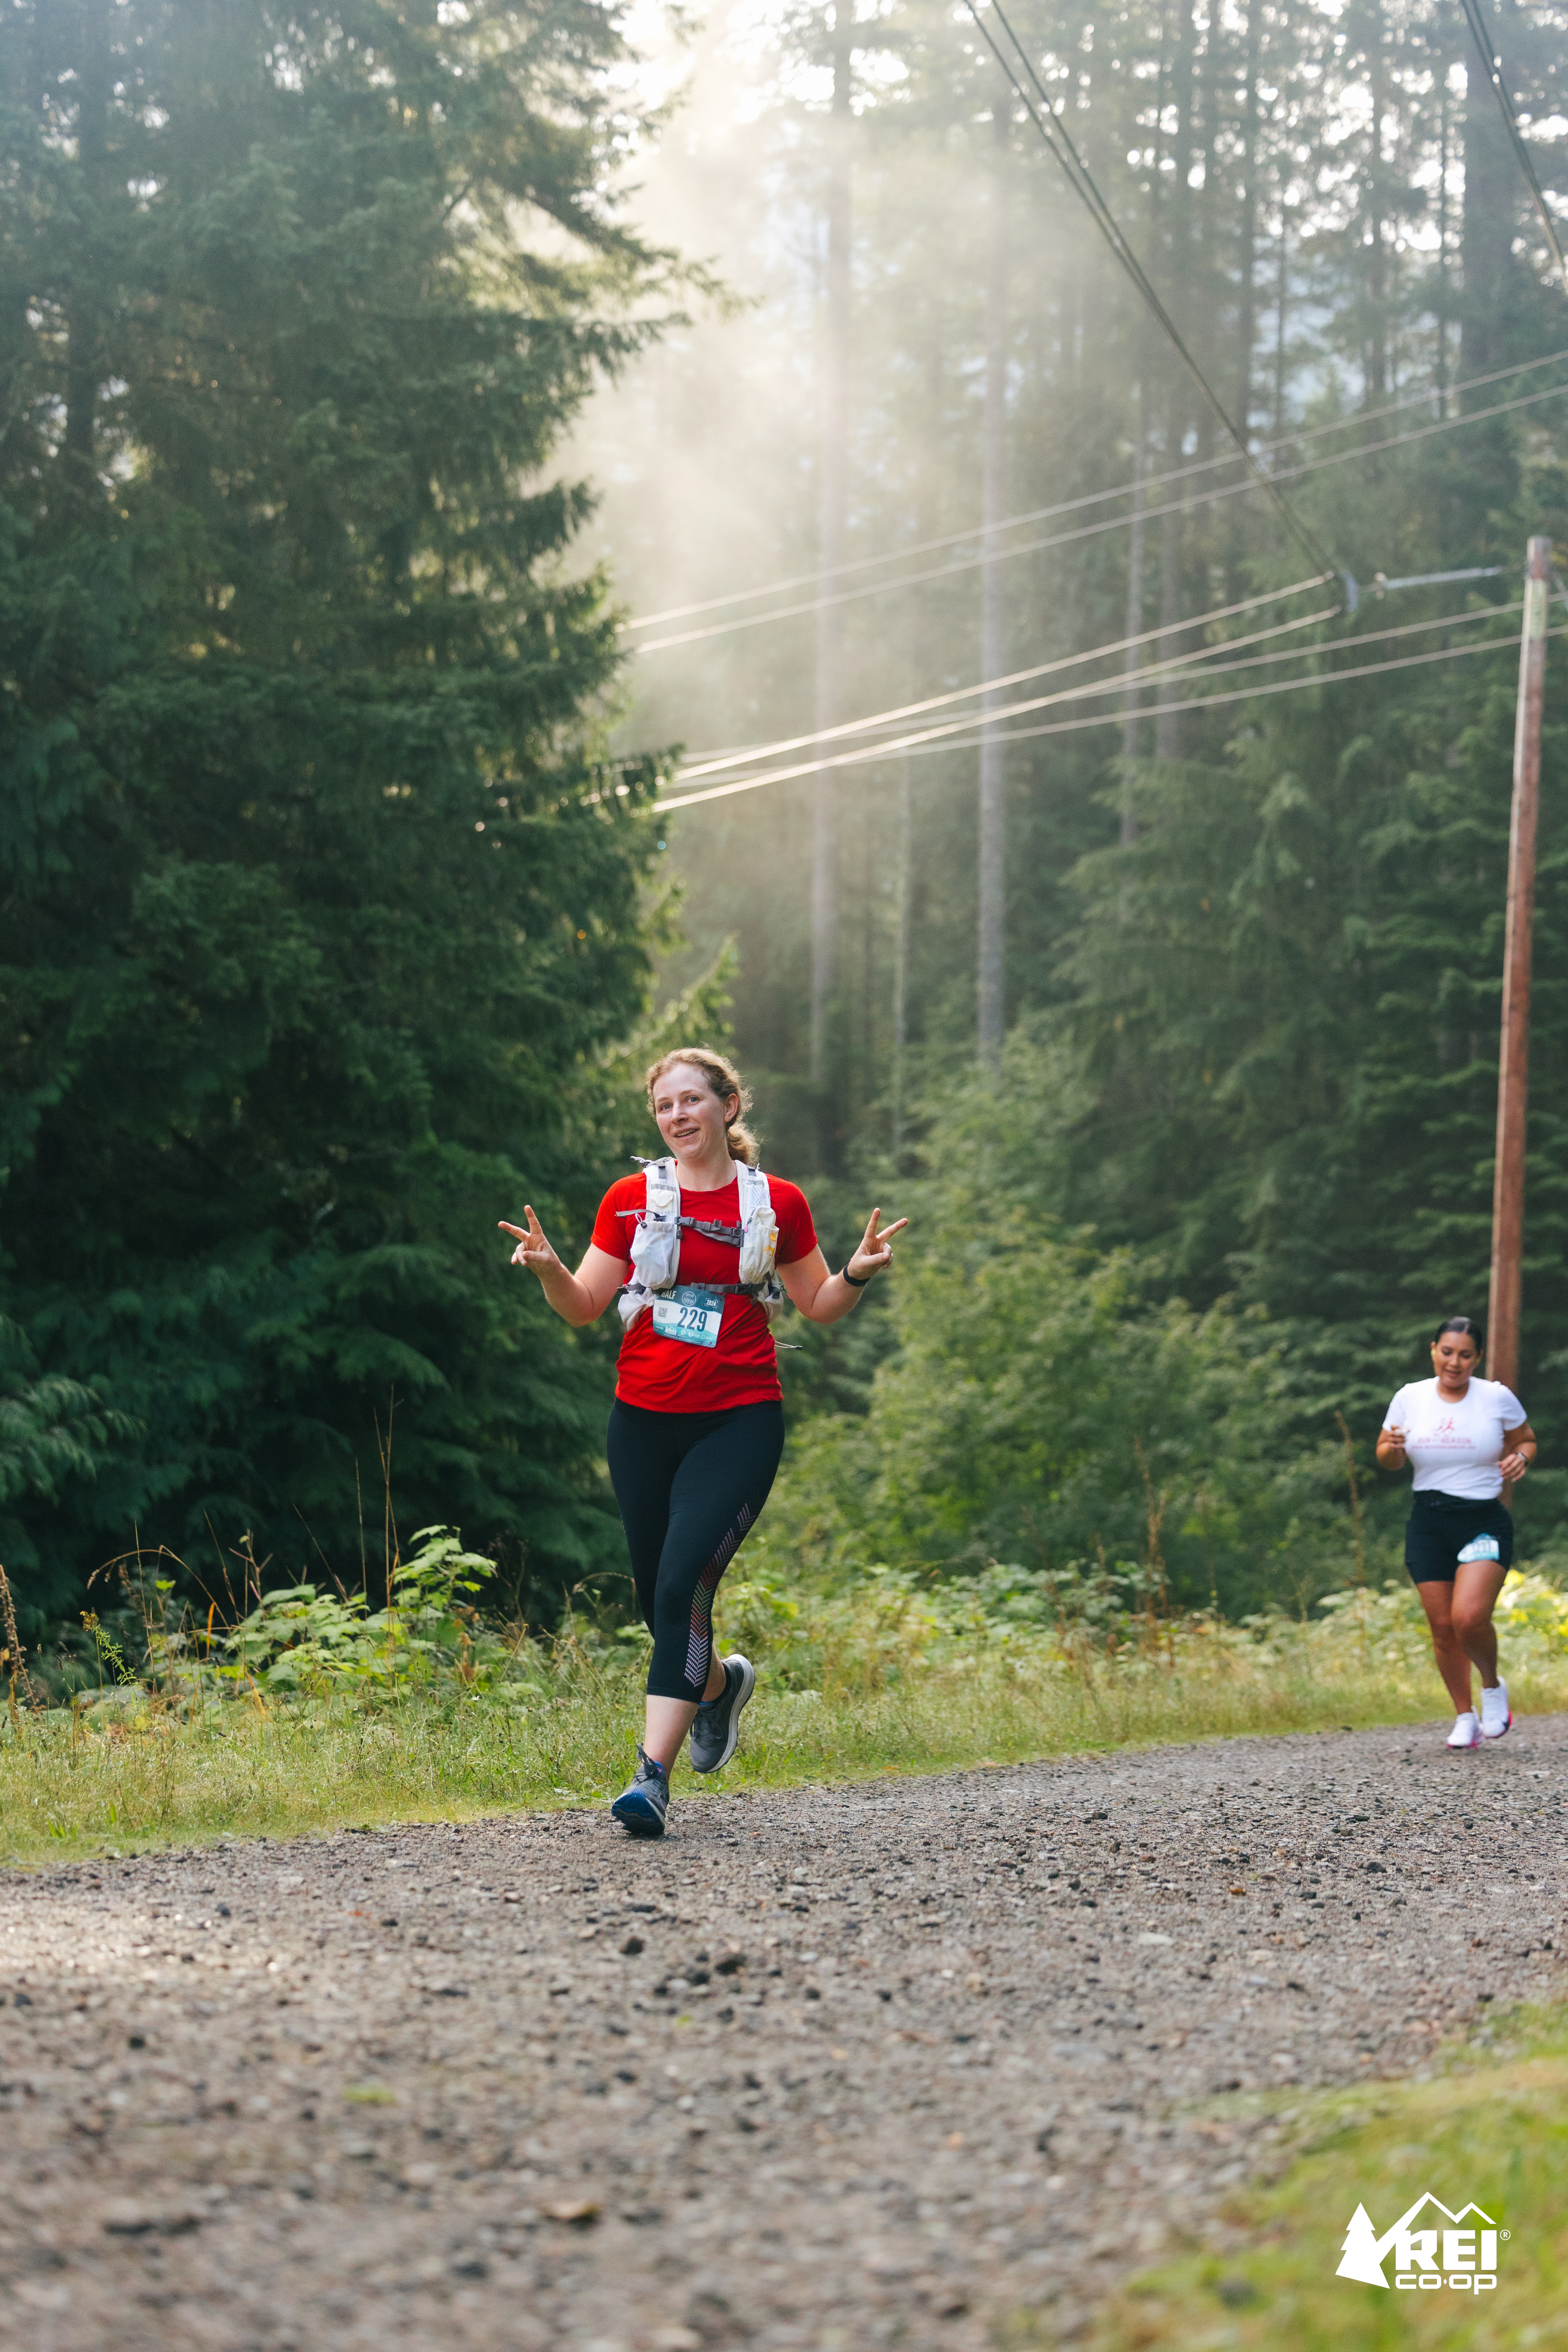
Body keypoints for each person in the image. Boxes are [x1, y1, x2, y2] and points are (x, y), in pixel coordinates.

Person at [500, 1047, 906, 1838]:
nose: (678, 1116)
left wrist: (854, 1272)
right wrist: (549, 1266)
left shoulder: (776, 1201)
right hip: (642, 1422)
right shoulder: (629, 1198)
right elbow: (584, 1305)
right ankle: (719, 1687)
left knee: (685, 1582)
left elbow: (817, 1305)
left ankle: (649, 1779)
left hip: (739, 1421)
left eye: (692, 1100)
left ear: (727, 1106)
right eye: (664, 1106)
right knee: (661, 1601)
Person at [1376, 1316, 1536, 1749]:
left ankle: (1491, 1685)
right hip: (1429, 1520)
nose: (1455, 1362)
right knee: (1443, 1627)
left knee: (1468, 1617)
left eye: (1465, 1355)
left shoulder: (1495, 1397)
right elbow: (1387, 1456)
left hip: (1482, 1518)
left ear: (1477, 1358)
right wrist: (1390, 1451)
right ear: (1433, 1351)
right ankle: (1464, 1716)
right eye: (1447, 1352)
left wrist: (1521, 1457)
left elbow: (1526, 1439)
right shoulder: (1410, 1398)